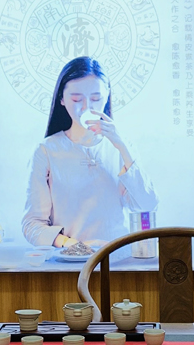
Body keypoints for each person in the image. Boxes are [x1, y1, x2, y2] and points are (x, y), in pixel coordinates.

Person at [21, 56, 157, 250]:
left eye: (95, 98)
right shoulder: (47, 150)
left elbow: (147, 206)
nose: (86, 107)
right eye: (77, 99)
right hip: (70, 260)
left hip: (118, 259)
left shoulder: (121, 147)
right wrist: (74, 246)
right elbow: (32, 225)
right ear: (61, 99)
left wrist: (122, 146)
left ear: (107, 95)